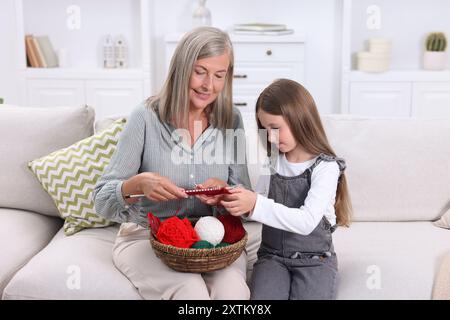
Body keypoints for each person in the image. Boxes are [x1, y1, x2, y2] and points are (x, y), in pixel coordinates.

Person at [93, 27, 251, 300]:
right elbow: (101, 199)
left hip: (212, 240)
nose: (208, 85)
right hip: (147, 238)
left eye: (219, 75)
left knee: (233, 292)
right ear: (181, 68)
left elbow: (245, 202)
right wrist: (138, 184)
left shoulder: (231, 119)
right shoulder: (145, 117)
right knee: (190, 292)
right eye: (200, 71)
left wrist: (225, 193)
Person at [220, 79, 352, 300]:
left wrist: (255, 203)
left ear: (300, 119)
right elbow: (257, 207)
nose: (270, 137)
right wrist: (232, 200)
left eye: (275, 128)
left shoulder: (325, 168)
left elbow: (307, 221)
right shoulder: (272, 162)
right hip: (272, 258)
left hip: (315, 261)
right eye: (264, 129)